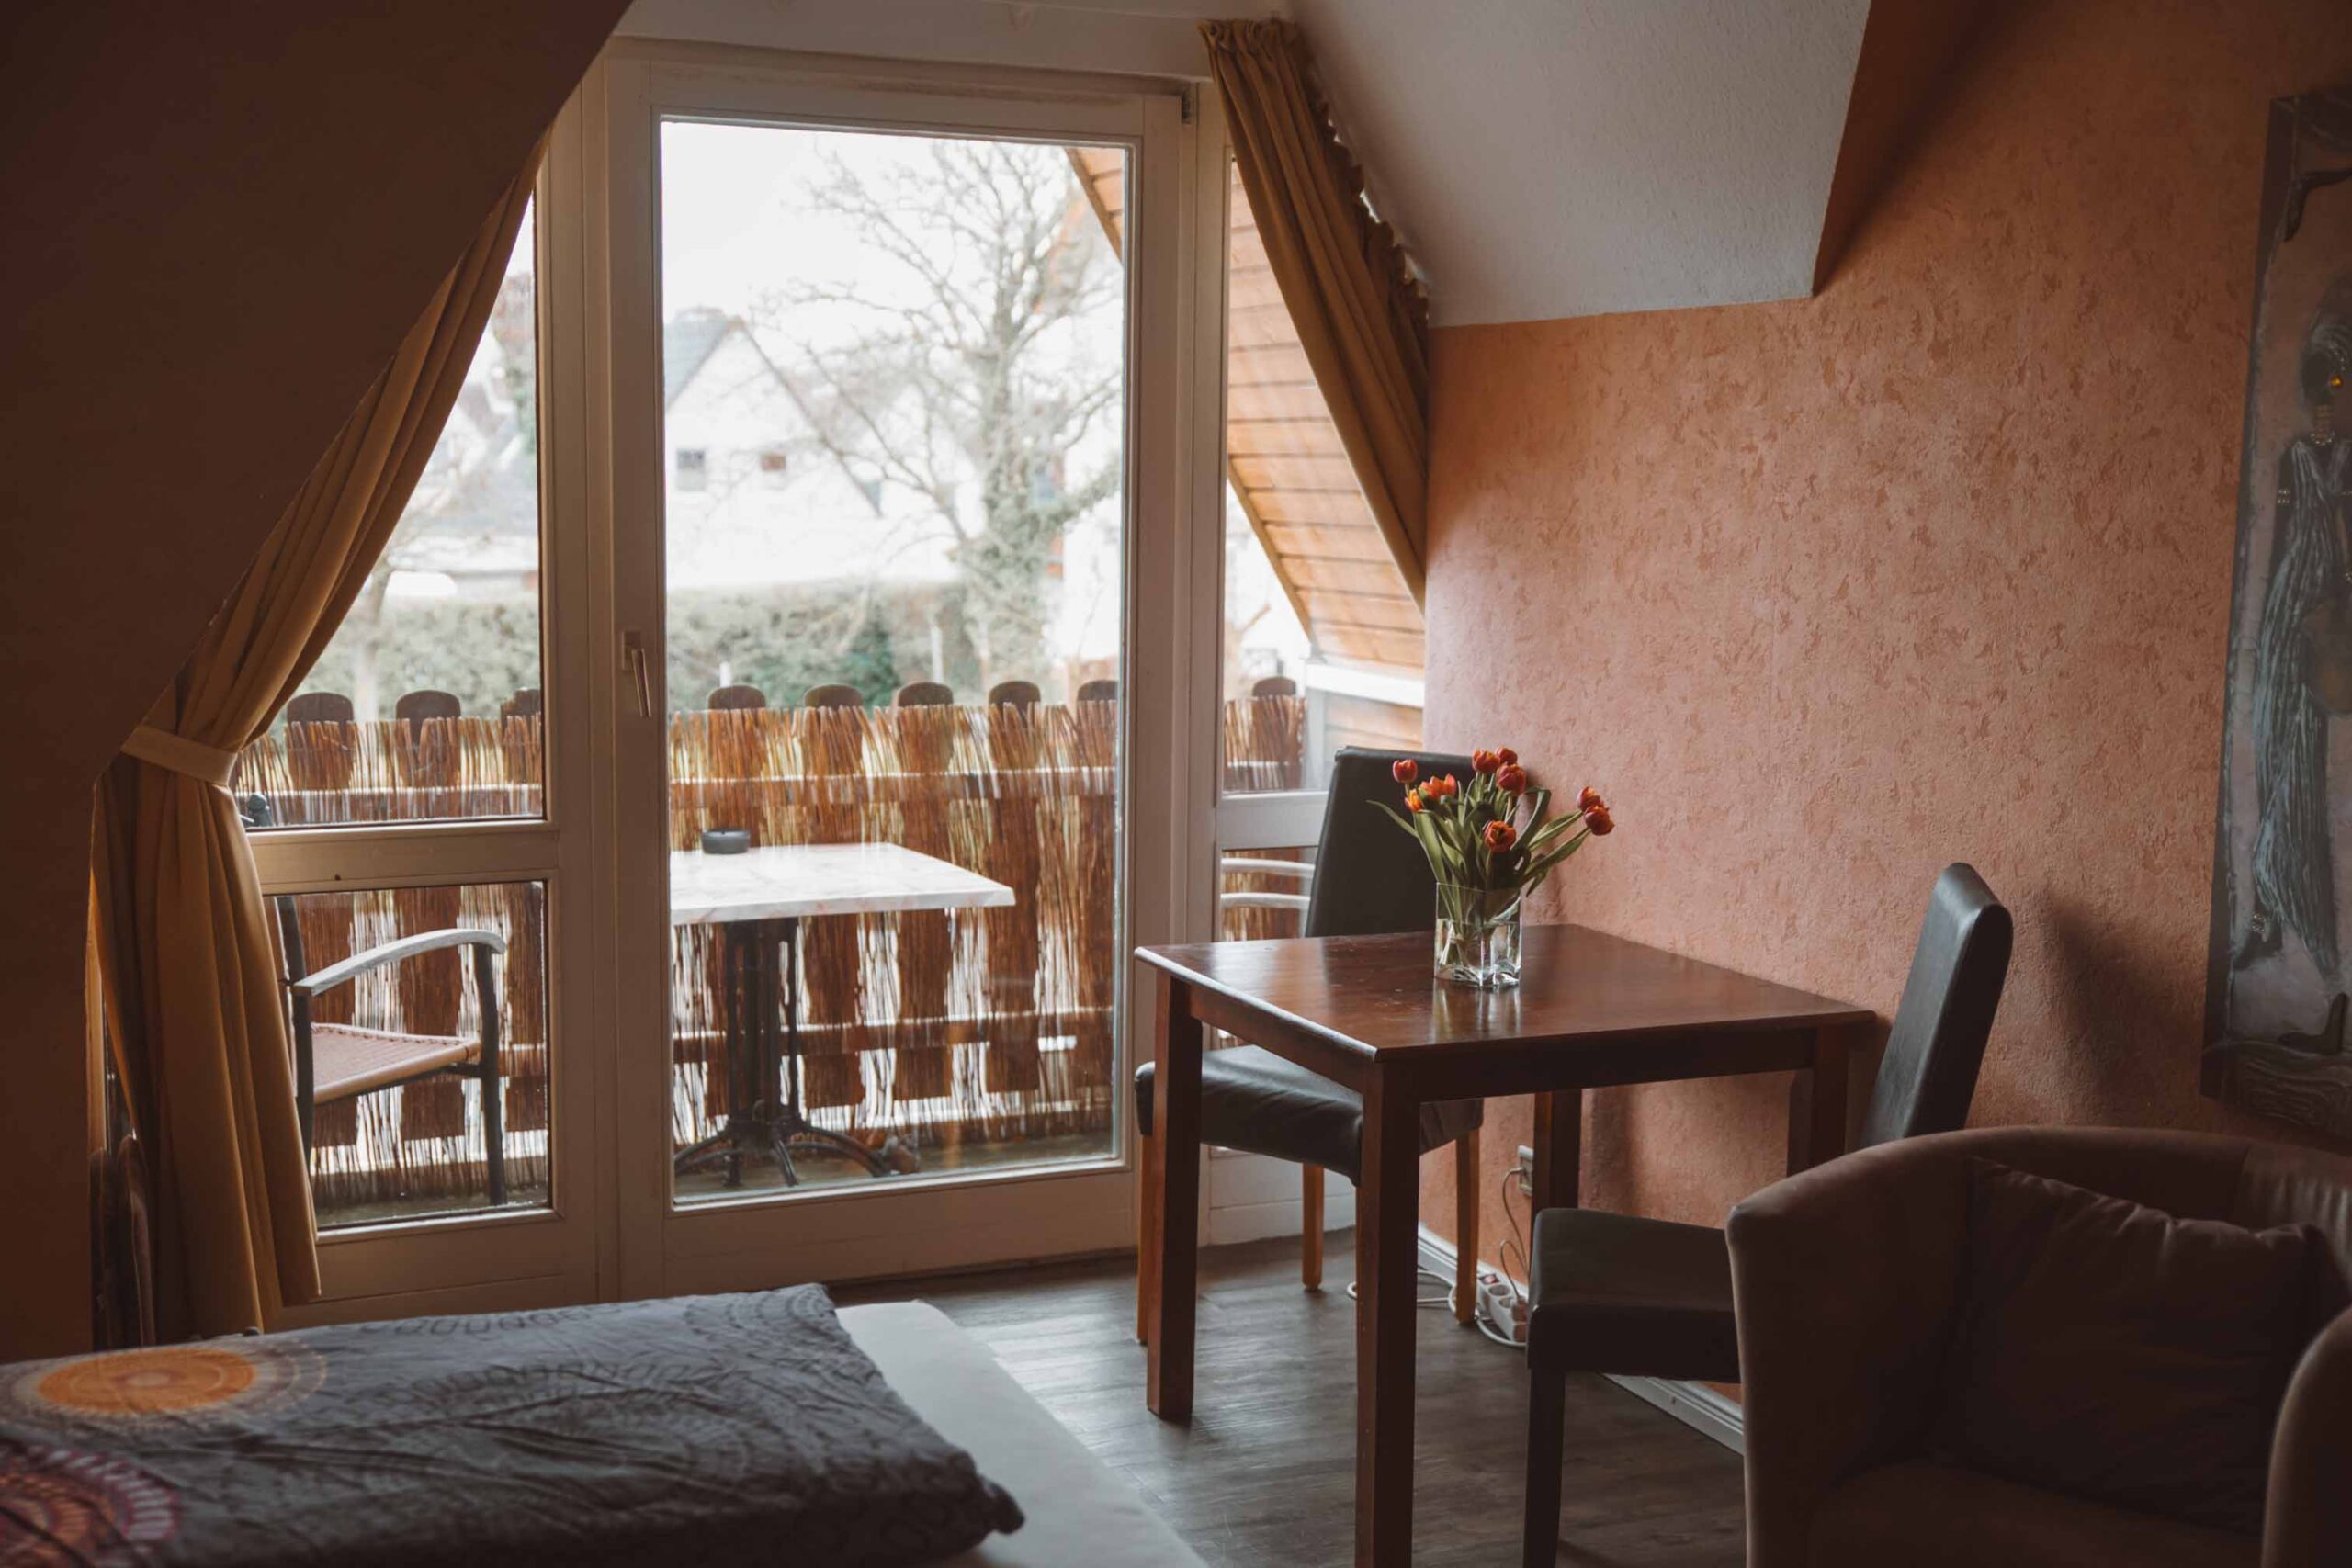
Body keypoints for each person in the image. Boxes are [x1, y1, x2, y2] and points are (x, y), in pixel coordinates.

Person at [2240, 299, 2352, 979]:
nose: (2323, 405)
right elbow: (2281, 543)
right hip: (2286, 615)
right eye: (2317, 389)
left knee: (2298, 776)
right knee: (2267, 749)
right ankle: (2264, 919)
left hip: (2321, 621)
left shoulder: (2346, 462)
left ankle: (2296, 922)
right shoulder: (2292, 459)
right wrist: (2261, 634)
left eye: (2334, 389)